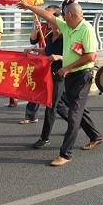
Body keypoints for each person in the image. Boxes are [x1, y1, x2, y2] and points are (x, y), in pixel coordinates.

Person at [17, 1, 103, 167]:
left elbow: (90, 56)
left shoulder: (86, 30)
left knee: (73, 115)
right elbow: (48, 16)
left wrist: (67, 67)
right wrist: (29, 7)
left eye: (65, 17)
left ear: (70, 15)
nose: (61, 21)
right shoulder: (67, 27)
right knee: (79, 110)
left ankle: (65, 154)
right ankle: (96, 136)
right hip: (69, 75)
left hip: (81, 76)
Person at [30, 8, 70, 149]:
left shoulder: (66, 37)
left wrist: (60, 57)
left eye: (54, 22)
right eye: (51, 23)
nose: (52, 25)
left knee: (50, 106)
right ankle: (76, 122)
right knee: (58, 105)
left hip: (60, 76)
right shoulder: (49, 36)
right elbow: (47, 52)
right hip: (48, 75)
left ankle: (45, 137)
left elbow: (75, 57)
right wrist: (33, 50)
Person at [21, 6, 62, 124]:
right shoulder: (44, 27)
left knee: (59, 99)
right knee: (35, 87)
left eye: (47, 14)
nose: (44, 15)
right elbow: (33, 40)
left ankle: (75, 118)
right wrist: (36, 29)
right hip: (41, 63)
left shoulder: (62, 31)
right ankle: (31, 115)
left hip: (55, 66)